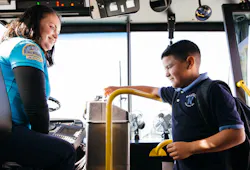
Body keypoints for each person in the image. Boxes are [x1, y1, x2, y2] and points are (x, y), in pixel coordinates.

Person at [104, 40, 246, 170]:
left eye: (169, 66)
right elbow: (152, 91)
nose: (166, 74)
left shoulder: (213, 90)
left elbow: (236, 134)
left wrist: (190, 147)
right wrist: (120, 89)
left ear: (190, 62)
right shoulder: (178, 93)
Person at [0, 5, 76, 170]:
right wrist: (44, 141)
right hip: (7, 133)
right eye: (52, 27)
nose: (56, 35)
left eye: (59, 31)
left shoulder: (9, 45)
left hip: (9, 131)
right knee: (66, 153)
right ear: (34, 23)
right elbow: (36, 107)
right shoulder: (27, 48)